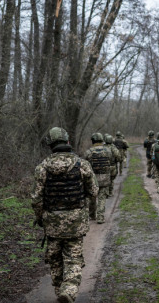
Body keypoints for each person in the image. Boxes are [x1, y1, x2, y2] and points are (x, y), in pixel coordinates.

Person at [31, 127, 98, 303]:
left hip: (52, 223)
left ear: (51, 145)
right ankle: (68, 290)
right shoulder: (81, 164)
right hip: (75, 222)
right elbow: (94, 191)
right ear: (67, 142)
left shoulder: (42, 168)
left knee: (54, 258)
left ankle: (60, 289)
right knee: (74, 258)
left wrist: (40, 218)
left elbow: (36, 200)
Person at [83, 133, 114, 224]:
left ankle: (92, 215)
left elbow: (85, 164)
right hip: (105, 178)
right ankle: (100, 217)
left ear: (93, 141)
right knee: (102, 198)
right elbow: (111, 161)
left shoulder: (89, 152)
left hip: (93, 179)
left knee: (92, 197)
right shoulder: (108, 151)